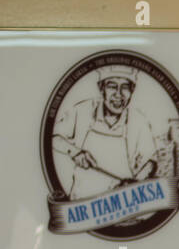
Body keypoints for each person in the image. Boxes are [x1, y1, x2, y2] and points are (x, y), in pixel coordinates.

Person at [51, 66, 158, 200]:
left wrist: (134, 185)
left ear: (132, 91)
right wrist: (74, 151)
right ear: (101, 89)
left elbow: (150, 162)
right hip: (81, 205)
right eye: (112, 86)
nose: (118, 94)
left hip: (121, 203)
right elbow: (53, 137)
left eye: (125, 87)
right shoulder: (82, 111)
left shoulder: (138, 121)